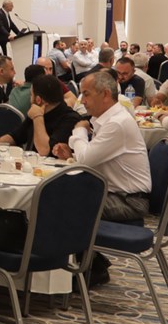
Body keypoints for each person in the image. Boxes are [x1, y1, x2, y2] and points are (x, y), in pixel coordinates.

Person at [52, 70, 153, 228]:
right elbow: (94, 159)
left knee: (59, 200)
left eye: (86, 94)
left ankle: (65, 244)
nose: (82, 101)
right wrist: (71, 156)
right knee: (59, 192)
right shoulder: (107, 119)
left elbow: (86, 161)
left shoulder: (117, 123)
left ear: (105, 94)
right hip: (115, 193)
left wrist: (80, 130)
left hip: (129, 201)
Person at [18, 71, 82, 153]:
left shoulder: (70, 120)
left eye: (31, 95)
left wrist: (38, 117)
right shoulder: (34, 112)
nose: (30, 100)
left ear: (38, 100)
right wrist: (1, 144)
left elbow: (44, 151)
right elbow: (15, 136)